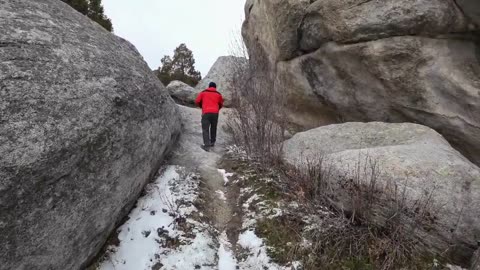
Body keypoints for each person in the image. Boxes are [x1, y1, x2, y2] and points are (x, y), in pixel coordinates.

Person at [195, 82, 224, 151]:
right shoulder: (218, 94)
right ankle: (212, 142)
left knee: (205, 129)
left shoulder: (203, 93)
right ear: (215, 87)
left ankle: (207, 146)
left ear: (209, 86)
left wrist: (202, 107)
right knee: (213, 127)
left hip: (206, 112)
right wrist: (217, 109)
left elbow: (197, 101)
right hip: (215, 113)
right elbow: (221, 104)